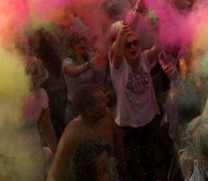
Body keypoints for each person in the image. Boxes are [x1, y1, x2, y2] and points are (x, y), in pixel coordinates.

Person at [109, 20, 162, 180]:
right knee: (133, 167)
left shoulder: (145, 58)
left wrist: (157, 29)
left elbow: (158, 47)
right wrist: (122, 33)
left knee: (150, 162)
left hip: (148, 120)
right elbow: (115, 53)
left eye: (135, 43)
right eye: (128, 45)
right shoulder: (119, 67)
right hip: (129, 125)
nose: (133, 47)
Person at [48, 83, 123, 181]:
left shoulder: (107, 115)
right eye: (101, 102)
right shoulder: (72, 133)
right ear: (89, 111)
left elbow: (118, 143)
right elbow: (56, 173)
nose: (106, 103)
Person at [62, 32, 102, 124]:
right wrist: (89, 64)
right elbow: (73, 72)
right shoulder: (67, 61)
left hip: (90, 104)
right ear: (71, 46)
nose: (81, 43)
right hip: (74, 107)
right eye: (77, 42)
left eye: (82, 41)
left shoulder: (88, 57)